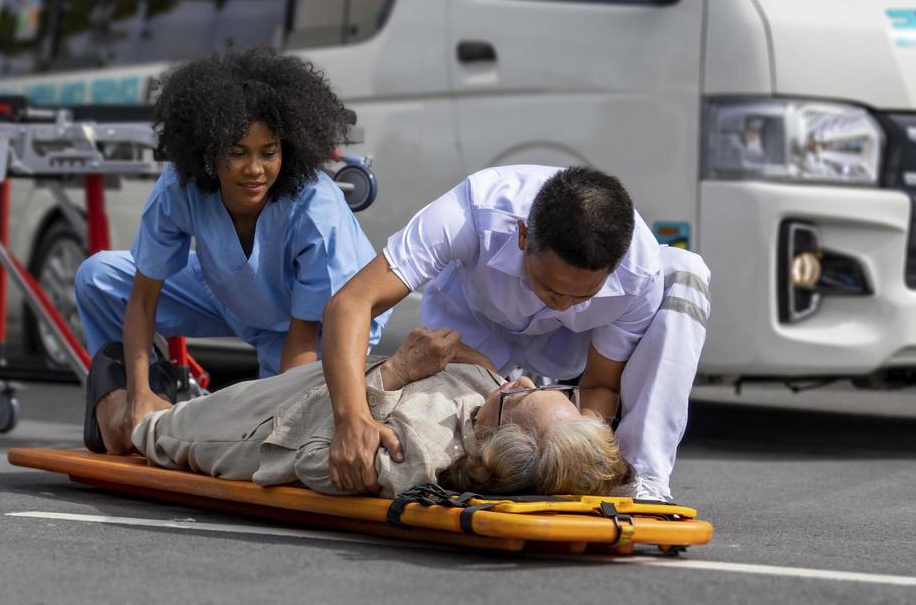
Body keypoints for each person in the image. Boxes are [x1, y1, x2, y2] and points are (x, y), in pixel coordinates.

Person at [321, 165, 710, 502]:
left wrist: (576, 456)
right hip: (469, 331)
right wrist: (351, 419)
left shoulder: (639, 273)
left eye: (582, 295)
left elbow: (600, 385)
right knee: (424, 433)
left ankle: (645, 481)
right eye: (552, 289)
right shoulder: (470, 211)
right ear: (523, 236)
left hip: (570, 343)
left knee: (686, 270)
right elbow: (352, 303)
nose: (562, 304)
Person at [75, 48, 386, 455]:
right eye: (238, 153)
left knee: (279, 424)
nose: (254, 169)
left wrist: (280, 419)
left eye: (268, 152)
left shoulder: (316, 210)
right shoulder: (177, 189)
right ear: (208, 153)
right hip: (231, 289)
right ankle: (143, 395)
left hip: (321, 325)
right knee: (98, 276)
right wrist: (139, 396)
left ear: (286, 149)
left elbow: (302, 341)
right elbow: (141, 299)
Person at [106, 325, 632, 498]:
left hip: (262, 429)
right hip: (311, 384)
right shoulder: (495, 403)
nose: (517, 379)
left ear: (498, 444)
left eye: (521, 395)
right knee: (187, 400)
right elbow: (479, 371)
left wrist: (398, 371)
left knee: (143, 430)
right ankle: (155, 389)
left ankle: (111, 406)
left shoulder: (418, 458)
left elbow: (310, 457)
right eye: (540, 384)